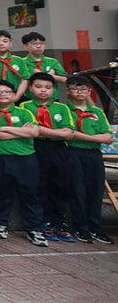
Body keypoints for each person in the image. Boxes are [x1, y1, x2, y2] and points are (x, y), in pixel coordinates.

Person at [0, 80, 48, 247]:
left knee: (30, 194)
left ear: (14, 94)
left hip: (25, 158)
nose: (3, 95)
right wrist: (21, 131)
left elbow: (34, 132)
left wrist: (4, 128)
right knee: (2, 192)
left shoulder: (24, 112)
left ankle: (34, 228)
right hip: (0, 157)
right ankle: (0, 223)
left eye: (6, 92)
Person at [20, 72, 76, 242]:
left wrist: (43, 131)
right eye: (38, 87)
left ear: (54, 89)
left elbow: (69, 133)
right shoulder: (25, 106)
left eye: (48, 87)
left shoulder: (62, 108)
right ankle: (43, 223)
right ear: (30, 88)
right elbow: (33, 131)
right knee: (40, 185)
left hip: (59, 149)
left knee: (61, 185)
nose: (43, 91)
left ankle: (59, 223)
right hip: (36, 147)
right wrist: (57, 132)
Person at [65, 75, 116, 244]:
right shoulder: (65, 110)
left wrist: (87, 138)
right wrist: (95, 138)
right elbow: (70, 134)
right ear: (68, 91)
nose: (79, 92)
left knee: (96, 190)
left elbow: (109, 137)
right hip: (73, 153)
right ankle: (80, 227)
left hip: (94, 155)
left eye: (83, 89)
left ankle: (95, 227)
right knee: (78, 190)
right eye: (75, 89)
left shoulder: (97, 112)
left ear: (89, 91)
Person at [0, 30, 31, 102]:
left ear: (10, 44)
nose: (1, 44)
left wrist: (17, 97)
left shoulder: (19, 60)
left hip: (15, 94)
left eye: (5, 41)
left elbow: (25, 80)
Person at [21, 32, 68, 101]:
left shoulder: (53, 61)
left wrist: (49, 76)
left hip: (53, 99)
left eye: (42, 43)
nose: (39, 46)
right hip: (30, 99)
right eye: (34, 43)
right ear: (25, 46)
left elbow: (64, 79)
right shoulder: (22, 62)